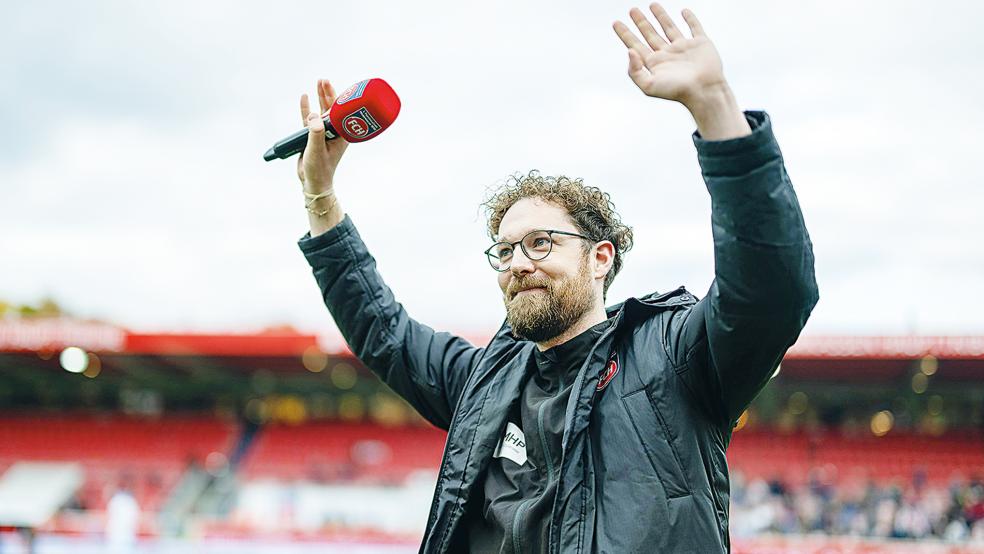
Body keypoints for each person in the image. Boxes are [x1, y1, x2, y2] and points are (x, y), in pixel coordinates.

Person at [292, 4, 818, 552]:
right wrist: (319, 193)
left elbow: (770, 294)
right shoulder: (486, 381)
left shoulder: (673, 359)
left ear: (600, 258)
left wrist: (715, 109)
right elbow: (385, 333)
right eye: (505, 250)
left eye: (541, 243)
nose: (518, 263)